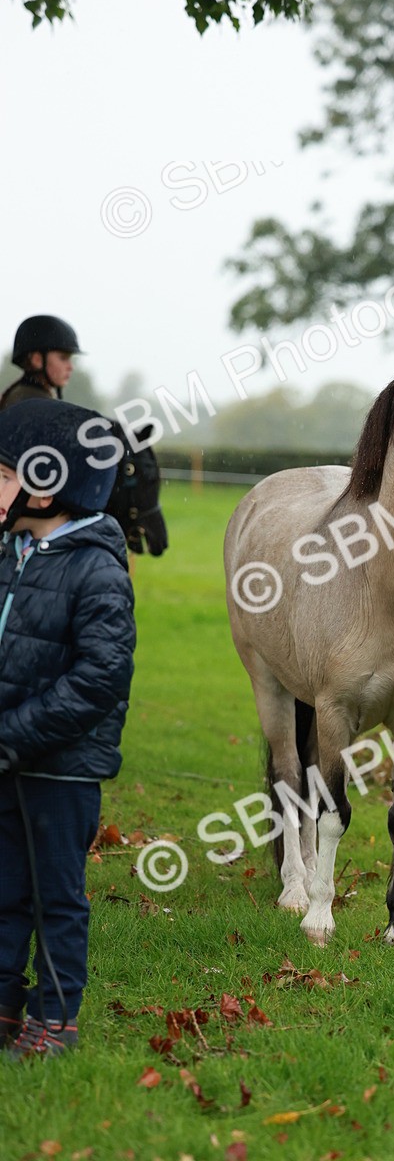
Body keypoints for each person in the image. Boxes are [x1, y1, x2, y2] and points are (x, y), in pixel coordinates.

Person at [0, 399, 135, 1059]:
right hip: (7, 762)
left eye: (2, 475)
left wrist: (14, 734)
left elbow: (98, 678)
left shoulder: (97, 568)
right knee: (3, 891)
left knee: (55, 898)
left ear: (49, 484)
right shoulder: (12, 553)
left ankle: (55, 1021)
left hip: (58, 767)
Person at [0, 315, 83, 411]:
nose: (70, 367)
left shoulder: (23, 396)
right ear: (37, 360)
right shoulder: (33, 404)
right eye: (63, 358)